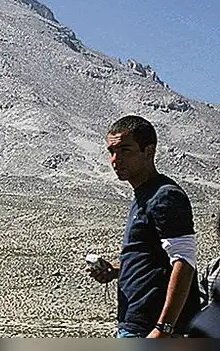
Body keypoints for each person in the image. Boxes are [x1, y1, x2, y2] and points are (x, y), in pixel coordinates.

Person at [87, 115, 199, 338]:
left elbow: (184, 262)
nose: (115, 160)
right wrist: (116, 271)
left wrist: (163, 329)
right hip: (136, 324)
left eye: (125, 150)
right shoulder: (144, 195)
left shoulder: (165, 196)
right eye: (112, 152)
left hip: (153, 328)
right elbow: (156, 260)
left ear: (148, 151)